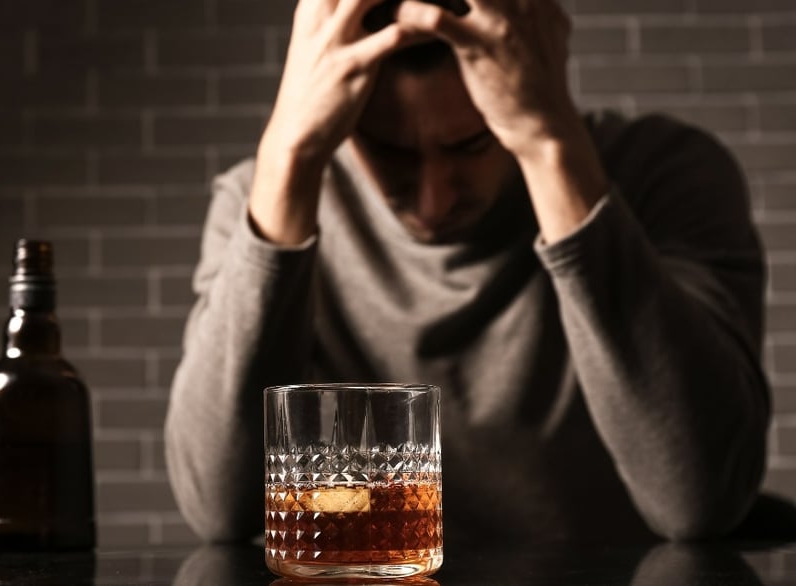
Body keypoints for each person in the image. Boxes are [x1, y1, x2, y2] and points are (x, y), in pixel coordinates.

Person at [164, 0, 770, 544]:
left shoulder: (664, 174)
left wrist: (549, 145)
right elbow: (216, 511)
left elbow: (700, 501)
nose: (433, 201)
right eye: (391, 152)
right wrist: (289, 157)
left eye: (473, 144)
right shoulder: (267, 198)